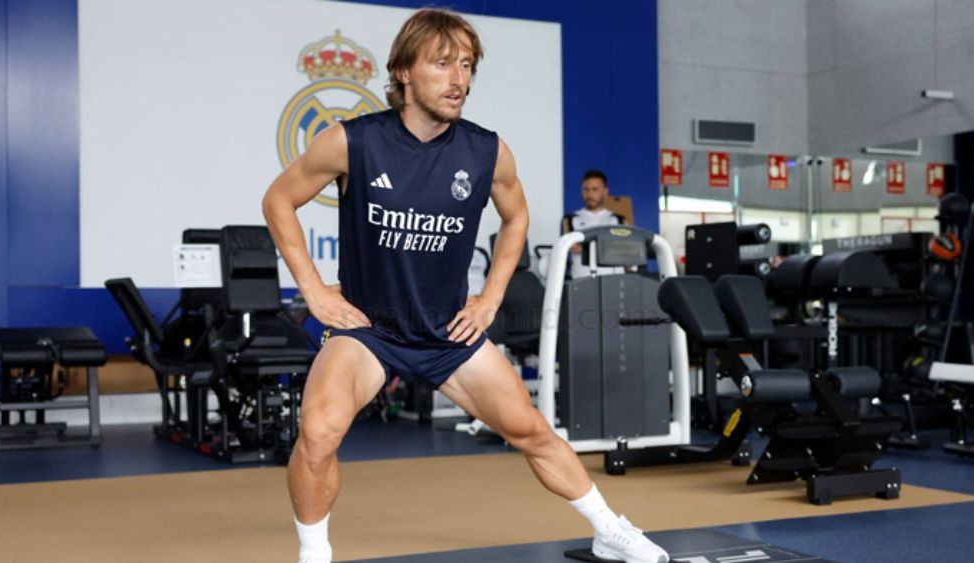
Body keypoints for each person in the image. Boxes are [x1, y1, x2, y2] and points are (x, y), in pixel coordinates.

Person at [261, 8, 669, 563]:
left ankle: (608, 528)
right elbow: (278, 200)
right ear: (403, 71)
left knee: (531, 430)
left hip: (446, 329)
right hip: (368, 330)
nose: (460, 79)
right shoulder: (352, 143)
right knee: (318, 432)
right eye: (443, 63)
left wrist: (491, 298)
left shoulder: (486, 151)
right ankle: (314, 553)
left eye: (468, 66)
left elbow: (517, 217)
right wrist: (314, 290)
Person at [565, 169, 626, 279]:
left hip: (614, 281)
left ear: (605, 191)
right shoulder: (570, 219)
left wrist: (584, 247)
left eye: (595, 189)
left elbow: (623, 249)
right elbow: (571, 247)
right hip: (581, 280)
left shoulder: (618, 220)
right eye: (586, 189)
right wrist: (606, 247)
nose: (590, 194)